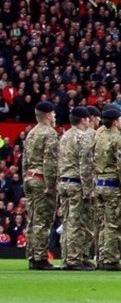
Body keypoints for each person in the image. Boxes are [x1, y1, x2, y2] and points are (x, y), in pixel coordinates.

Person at [90, 104, 121, 271]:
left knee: (102, 224)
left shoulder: (98, 138)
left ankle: (102, 257)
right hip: (113, 186)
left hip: (100, 183)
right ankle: (110, 259)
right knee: (114, 224)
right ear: (116, 122)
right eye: (120, 119)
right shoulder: (119, 140)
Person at [56, 105, 99, 271]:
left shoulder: (65, 136)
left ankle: (68, 256)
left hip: (64, 182)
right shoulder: (83, 138)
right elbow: (86, 165)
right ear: (83, 120)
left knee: (67, 221)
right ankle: (74, 259)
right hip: (76, 183)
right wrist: (88, 190)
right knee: (76, 222)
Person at [21, 101, 60, 269]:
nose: (55, 117)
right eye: (53, 114)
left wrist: (25, 177)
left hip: (29, 178)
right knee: (43, 221)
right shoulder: (49, 133)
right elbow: (50, 162)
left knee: (32, 219)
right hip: (41, 179)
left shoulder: (31, 133)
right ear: (48, 115)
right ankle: (40, 257)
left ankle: (32, 254)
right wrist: (51, 185)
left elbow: (25, 160)